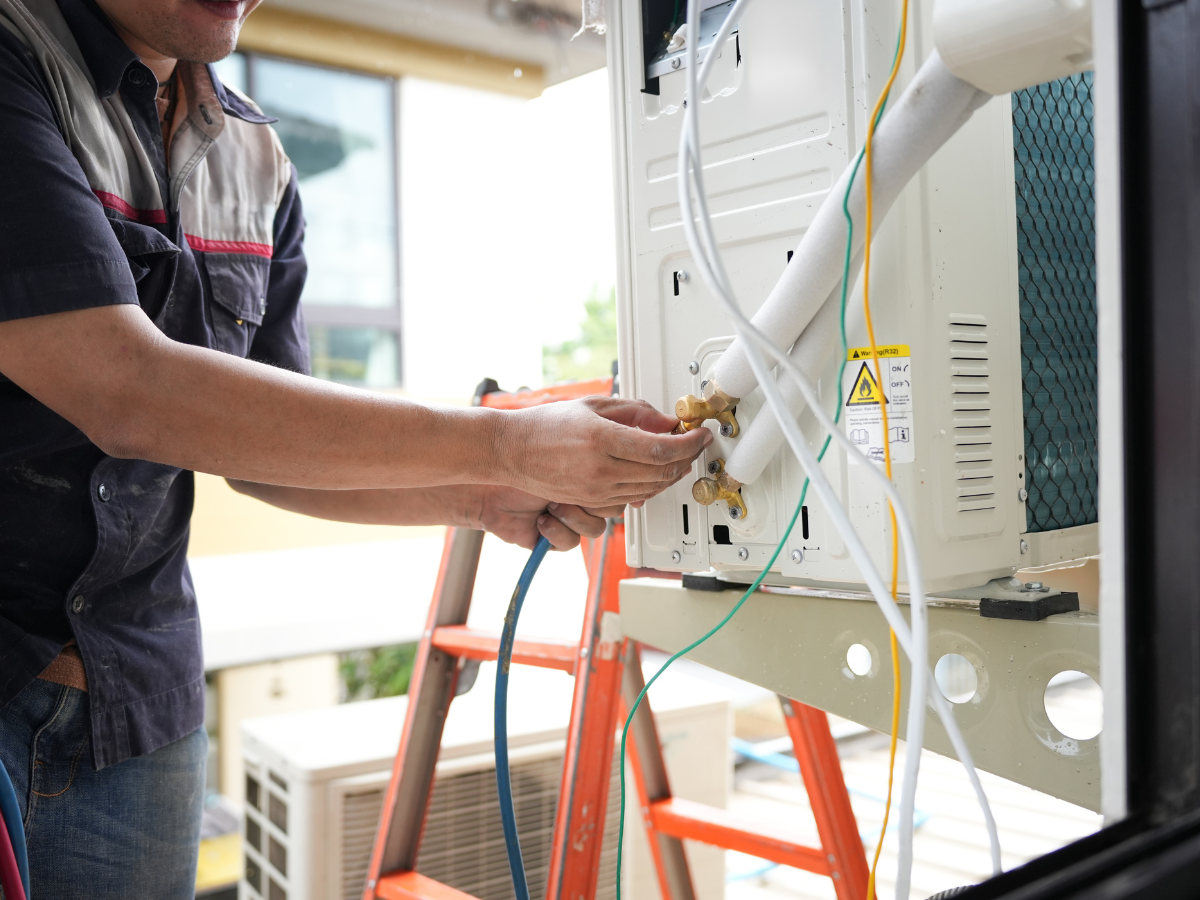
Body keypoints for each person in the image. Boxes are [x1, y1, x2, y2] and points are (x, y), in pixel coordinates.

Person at [0, 0, 712, 894]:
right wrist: (502, 449)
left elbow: (261, 455)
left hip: (141, 708)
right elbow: (122, 385)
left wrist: (476, 497)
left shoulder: (255, 159)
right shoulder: (16, 59)